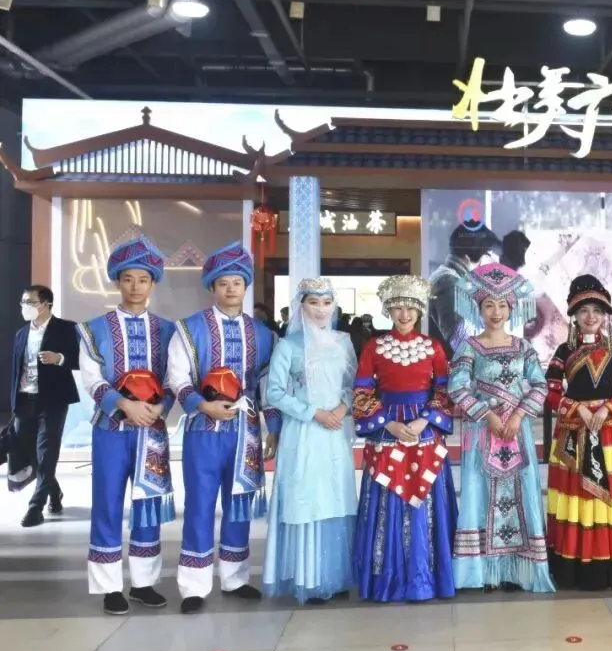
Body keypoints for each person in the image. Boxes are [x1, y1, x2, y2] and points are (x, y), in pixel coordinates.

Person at [166, 242, 282, 614]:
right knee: (200, 503)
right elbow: (177, 378)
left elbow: (268, 386)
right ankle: (194, 585)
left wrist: (273, 428)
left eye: (237, 282)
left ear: (246, 286)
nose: (231, 289)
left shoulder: (263, 334)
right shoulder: (189, 328)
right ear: (212, 287)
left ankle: (235, 578)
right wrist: (203, 405)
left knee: (239, 503)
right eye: (224, 283)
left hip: (246, 431)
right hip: (203, 428)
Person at [76, 233, 176, 614]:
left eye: (143, 279)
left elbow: (175, 379)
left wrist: (160, 408)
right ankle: (109, 586)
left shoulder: (169, 330)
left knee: (147, 504)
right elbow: (92, 380)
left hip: (152, 429)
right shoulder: (94, 328)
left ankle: (144, 583)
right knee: (107, 502)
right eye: (129, 279)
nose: (136, 286)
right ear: (117, 281)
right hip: (110, 430)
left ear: (153, 284)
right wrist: (124, 405)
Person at [448, 263, 554, 593]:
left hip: (517, 433)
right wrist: (488, 415)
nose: (496, 312)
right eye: (489, 305)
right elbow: (457, 387)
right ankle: (484, 571)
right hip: (483, 432)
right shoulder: (469, 346)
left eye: (502, 306)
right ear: (478, 309)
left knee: (521, 493)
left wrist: (519, 415)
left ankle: (517, 570)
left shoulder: (524, 347)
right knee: (479, 493)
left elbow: (540, 385)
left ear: (511, 309)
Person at [352, 275, 457, 602]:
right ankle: (390, 579)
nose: (404, 314)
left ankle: (425, 578)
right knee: (389, 498)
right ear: (388, 310)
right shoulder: (374, 347)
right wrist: (389, 425)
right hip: (388, 430)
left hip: (425, 430)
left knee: (425, 501)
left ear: (420, 310)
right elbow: (362, 392)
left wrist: (425, 420)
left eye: (410, 307)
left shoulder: (434, 347)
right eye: (397, 307)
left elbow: (445, 390)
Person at [546, 274, 612, 590]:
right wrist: (577, 408)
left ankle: (610, 561)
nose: (590, 316)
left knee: (608, 498)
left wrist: (608, 408)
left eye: (597, 310)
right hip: (573, 431)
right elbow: (549, 391)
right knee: (576, 496)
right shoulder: (563, 350)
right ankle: (573, 561)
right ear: (574, 315)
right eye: (584, 310)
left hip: (609, 433)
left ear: (605, 315)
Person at [262, 278, 357, 604]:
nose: (320, 309)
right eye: (313, 302)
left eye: (326, 302)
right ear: (301, 306)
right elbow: (274, 392)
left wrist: (342, 409)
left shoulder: (344, 341)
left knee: (336, 497)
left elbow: (353, 385)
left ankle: (336, 576)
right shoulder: (288, 346)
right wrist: (315, 413)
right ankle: (309, 578)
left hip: (335, 432)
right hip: (304, 432)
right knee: (307, 500)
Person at [9, 284, 80, 528]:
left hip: (53, 400)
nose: (24, 307)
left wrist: (59, 359)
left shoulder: (66, 328)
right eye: (23, 302)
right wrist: (13, 403)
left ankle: (35, 507)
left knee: (47, 453)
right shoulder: (21, 333)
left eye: (30, 302)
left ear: (46, 304)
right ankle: (54, 491)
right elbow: (16, 371)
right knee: (31, 454)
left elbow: (82, 359)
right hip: (24, 399)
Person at [427, 221, 501, 356]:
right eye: (488, 255)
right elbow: (466, 347)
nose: (492, 262)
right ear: (467, 257)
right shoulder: (449, 284)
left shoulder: (451, 279)